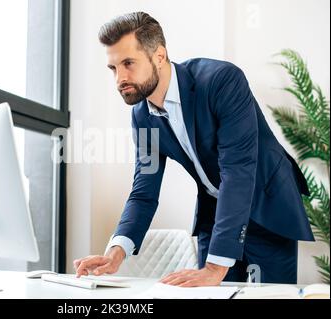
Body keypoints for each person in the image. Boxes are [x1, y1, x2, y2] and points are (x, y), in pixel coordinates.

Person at [73, 12, 314, 286]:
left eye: (128, 63)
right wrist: (116, 253)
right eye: (113, 68)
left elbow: (237, 172)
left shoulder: (222, 81)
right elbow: (144, 191)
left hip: (267, 204)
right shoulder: (142, 116)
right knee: (206, 292)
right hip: (216, 210)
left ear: (159, 56)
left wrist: (214, 267)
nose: (120, 78)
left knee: (269, 295)